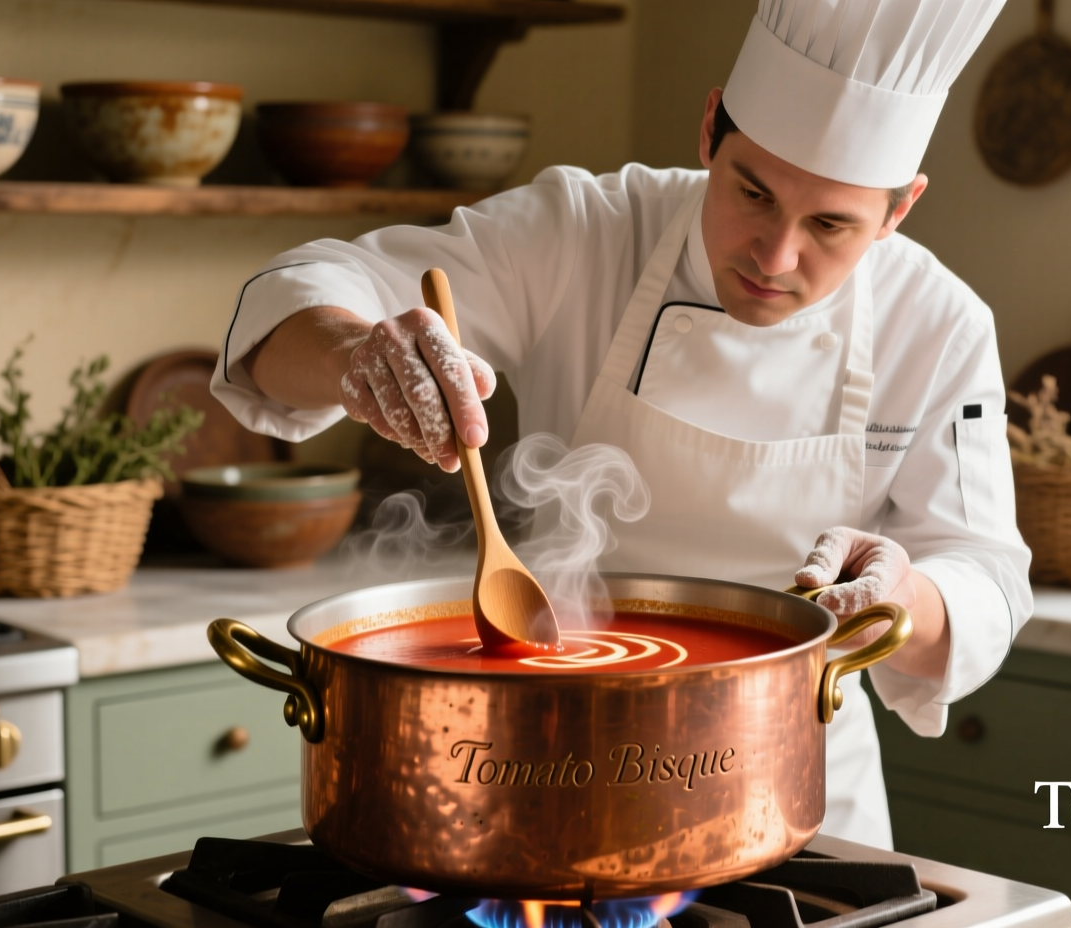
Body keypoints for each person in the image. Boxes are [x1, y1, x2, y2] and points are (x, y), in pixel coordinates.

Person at [213, 0, 1028, 849]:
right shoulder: (586, 231)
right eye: (751, 192)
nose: (774, 255)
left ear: (900, 210)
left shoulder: (939, 326)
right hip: (555, 765)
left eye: (831, 225)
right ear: (711, 128)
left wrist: (900, 597)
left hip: (800, 796)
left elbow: (986, 577)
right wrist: (355, 351)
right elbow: (302, 294)